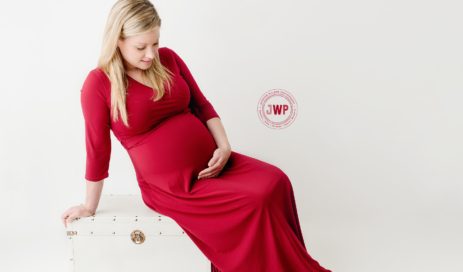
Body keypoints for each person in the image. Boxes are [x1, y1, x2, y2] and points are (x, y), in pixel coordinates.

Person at [61, 0, 332, 271]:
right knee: (257, 200)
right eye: (141, 47)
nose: (151, 54)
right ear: (117, 40)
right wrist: (89, 205)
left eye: (155, 43)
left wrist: (224, 147)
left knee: (278, 181)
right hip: (173, 186)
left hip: (215, 163)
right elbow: (97, 149)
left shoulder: (168, 59)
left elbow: (202, 106)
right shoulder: (98, 83)